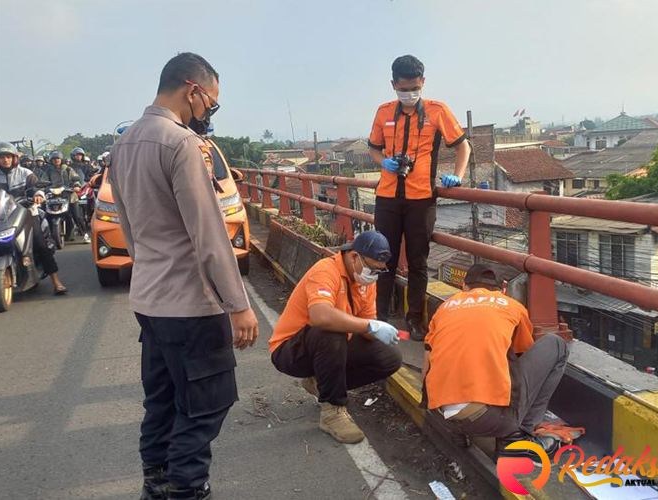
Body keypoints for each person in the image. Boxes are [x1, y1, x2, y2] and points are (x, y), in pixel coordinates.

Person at [109, 52, 258, 500]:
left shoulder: (125, 143)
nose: (208, 113)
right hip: (192, 307)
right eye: (210, 103)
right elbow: (210, 236)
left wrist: (150, 271)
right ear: (192, 90)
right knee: (203, 408)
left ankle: (155, 485)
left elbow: (129, 230)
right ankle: (186, 490)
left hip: (150, 302)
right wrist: (240, 306)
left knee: (161, 402)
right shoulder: (180, 144)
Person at [421, 263, 569, 463]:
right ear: (502, 289)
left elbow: (427, 362)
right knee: (557, 345)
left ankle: (459, 427)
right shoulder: (512, 306)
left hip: (440, 412)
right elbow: (521, 353)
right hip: (487, 420)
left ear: (464, 286)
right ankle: (516, 438)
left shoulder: (445, 307)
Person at [368, 55, 471, 341]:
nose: (409, 93)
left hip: (421, 199)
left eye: (414, 87)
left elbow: (464, 147)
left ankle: (415, 319)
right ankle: (379, 318)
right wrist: (384, 162)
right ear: (393, 85)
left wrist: (457, 176)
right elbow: (374, 148)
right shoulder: (383, 112)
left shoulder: (438, 111)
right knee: (382, 258)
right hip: (387, 196)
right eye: (403, 88)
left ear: (423, 83)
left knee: (418, 261)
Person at [270, 231, 403, 444]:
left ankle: (322, 384)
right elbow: (320, 316)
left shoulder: (366, 284)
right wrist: (369, 325)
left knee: (389, 356)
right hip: (291, 350)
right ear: (353, 257)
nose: (373, 276)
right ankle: (333, 411)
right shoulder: (325, 270)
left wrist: (379, 331)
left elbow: (367, 328)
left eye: (379, 271)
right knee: (331, 330)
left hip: (331, 347)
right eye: (371, 269)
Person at [0, 142, 67, 294]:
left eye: (8, 157)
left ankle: (56, 281)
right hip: (1, 217)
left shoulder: (25, 173)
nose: (5, 160)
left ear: (14, 158)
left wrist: (38, 196)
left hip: (27, 213)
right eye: (1, 157)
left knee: (41, 245)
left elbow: (37, 188)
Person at [41, 150, 90, 243]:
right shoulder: (48, 172)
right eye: (54, 159)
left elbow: (76, 179)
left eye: (58, 159)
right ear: (51, 160)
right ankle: (46, 237)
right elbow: (43, 182)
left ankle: (85, 235)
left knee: (77, 216)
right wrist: (42, 188)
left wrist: (76, 186)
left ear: (61, 159)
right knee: (45, 214)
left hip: (70, 195)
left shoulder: (68, 169)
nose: (56, 161)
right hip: (53, 196)